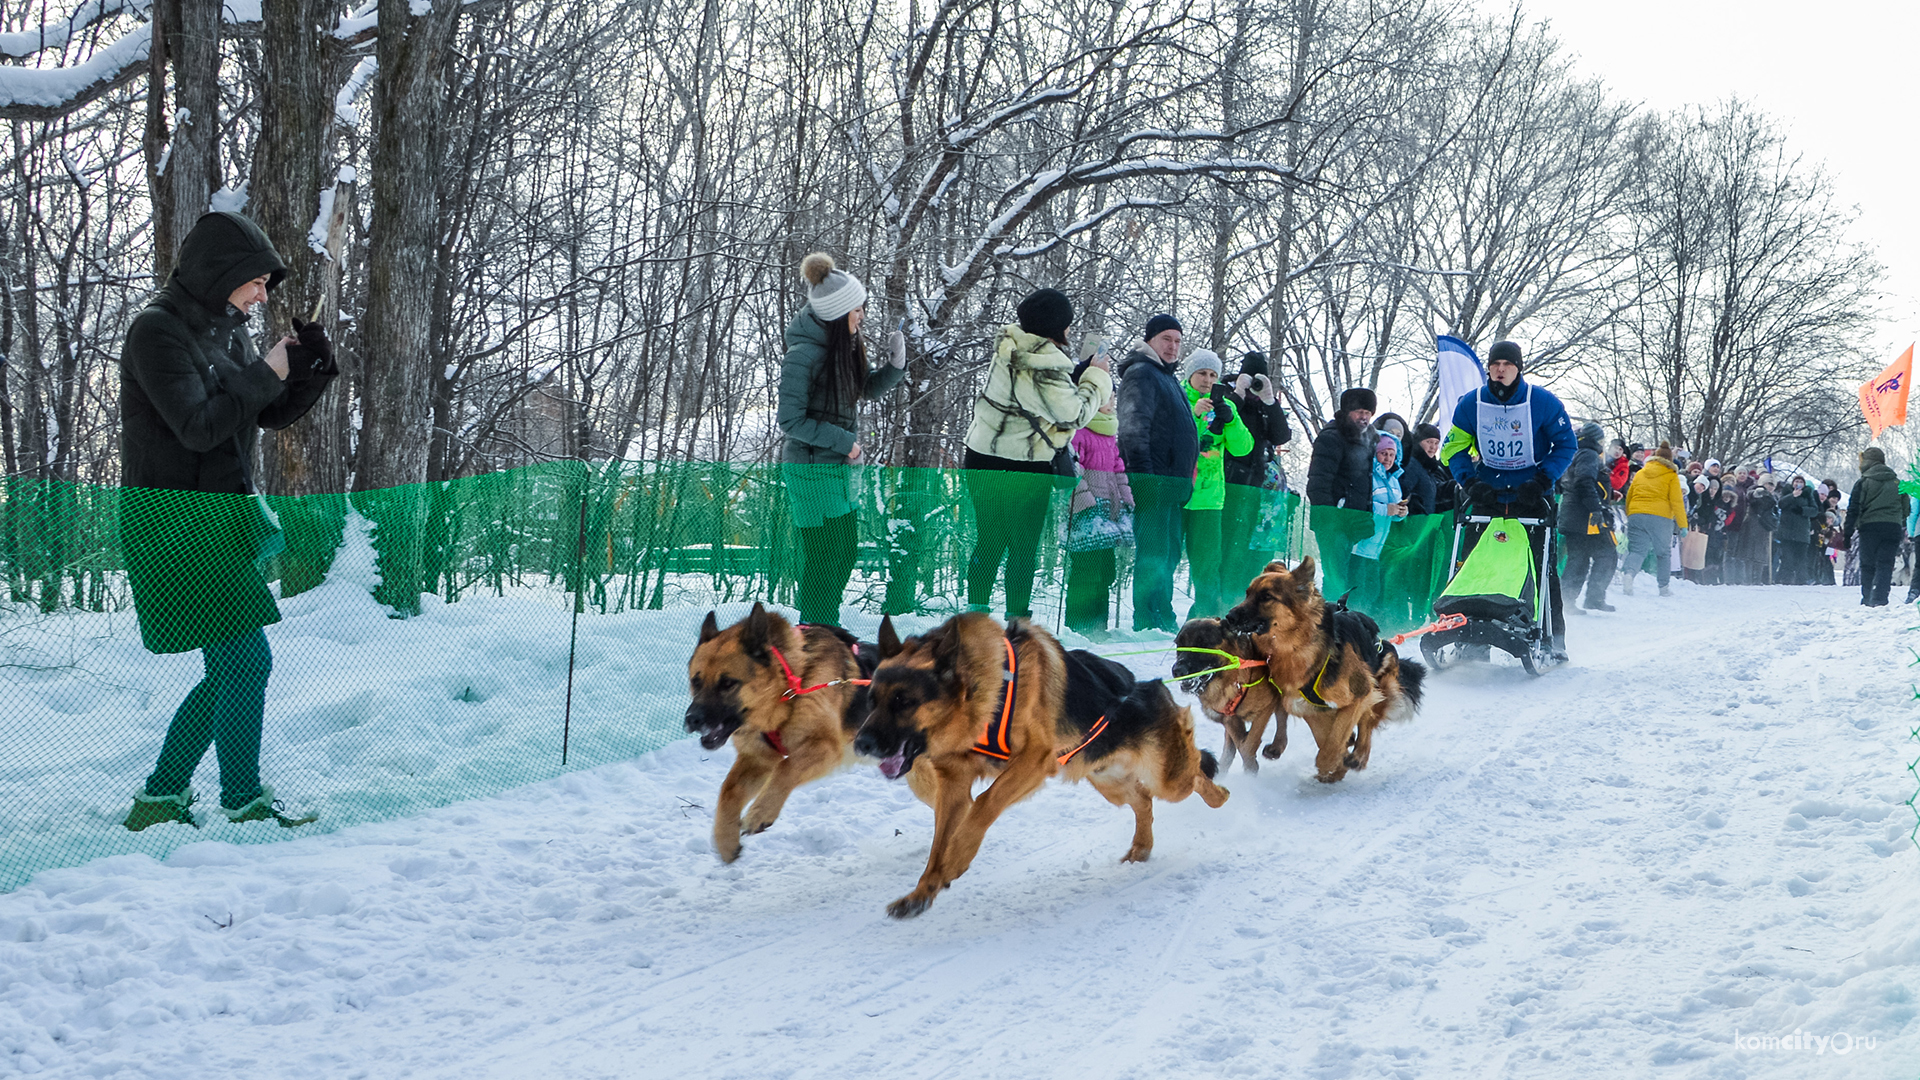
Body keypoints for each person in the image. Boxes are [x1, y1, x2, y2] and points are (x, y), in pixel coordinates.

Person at [119, 211, 339, 831]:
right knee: (245, 662)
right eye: (256, 282)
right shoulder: (156, 334)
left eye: (267, 284)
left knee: (233, 664)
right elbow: (197, 427)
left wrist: (307, 369)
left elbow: (260, 417)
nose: (262, 295)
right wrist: (266, 371)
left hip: (219, 518)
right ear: (222, 272)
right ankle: (238, 800)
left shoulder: (228, 331)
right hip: (171, 522)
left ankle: (162, 798)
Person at [963, 287, 1111, 621]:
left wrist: (1071, 372)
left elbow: (1032, 392)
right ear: (1058, 327)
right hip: (1026, 465)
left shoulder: (1010, 347)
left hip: (982, 458)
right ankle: (1017, 623)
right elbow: (1073, 413)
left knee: (988, 539)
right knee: (1023, 546)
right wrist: (1096, 377)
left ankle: (975, 617)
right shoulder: (1046, 368)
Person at [779, 253, 906, 626]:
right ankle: (817, 629)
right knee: (823, 555)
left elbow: (866, 388)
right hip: (810, 469)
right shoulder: (803, 355)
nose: (862, 314)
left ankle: (823, 626)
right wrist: (845, 442)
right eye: (857, 308)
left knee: (845, 551)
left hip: (836, 468)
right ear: (837, 313)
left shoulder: (844, 349)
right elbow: (790, 419)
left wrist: (895, 367)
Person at [1440, 339, 1575, 656]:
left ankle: (1554, 638)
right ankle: (1470, 638)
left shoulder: (1541, 401)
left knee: (1542, 567)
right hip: (1487, 492)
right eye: (1495, 365)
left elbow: (1566, 445)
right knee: (1476, 566)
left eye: (1507, 365)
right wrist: (1469, 481)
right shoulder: (1470, 403)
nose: (1500, 370)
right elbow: (1453, 448)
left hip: (1532, 494)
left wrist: (1543, 478)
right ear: (1488, 368)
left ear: (1518, 369)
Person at [1117, 314, 1197, 632]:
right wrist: (1144, 478)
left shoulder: (1168, 377)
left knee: (1169, 553)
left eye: (1178, 341)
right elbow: (1133, 427)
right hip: (1153, 482)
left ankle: (1163, 613)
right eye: (1167, 339)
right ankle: (1147, 617)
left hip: (1172, 485)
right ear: (1150, 339)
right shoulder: (1142, 373)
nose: (1173, 346)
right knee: (1153, 553)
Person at [1179, 350, 1254, 620]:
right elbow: (1173, 441)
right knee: (1166, 559)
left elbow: (1243, 448)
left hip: (1209, 498)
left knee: (1207, 565)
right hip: (1176, 494)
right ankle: (1155, 621)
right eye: (1202, 373)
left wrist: (1231, 420)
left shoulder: (1227, 406)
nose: (1207, 380)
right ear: (1190, 375)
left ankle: (1206, 618)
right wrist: (1195, 417)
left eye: (1213, 374)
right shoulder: (1179, 398)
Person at [1063, 353, 1132, 636]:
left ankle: (1097, 625)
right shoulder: (1078, 431)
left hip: (1109, 515)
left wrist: (1127, 501)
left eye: (1113, 398)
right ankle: (1078, 626)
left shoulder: (1109, 434)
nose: (1111, 403)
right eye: (1107, 397)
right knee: (1086, 573)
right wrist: (1086, 503)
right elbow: (1072, 469)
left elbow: (1119, 469)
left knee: (1105, 572)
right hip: (1086, 516)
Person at [1220, 352, 1292, 591]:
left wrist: (1270, 401)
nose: (1253, 384)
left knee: (1249, 552)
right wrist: (1238, 395)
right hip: (1228, 483)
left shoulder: (1264, 405)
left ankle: (1241, 598)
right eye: (1249, 377)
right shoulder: (1227, 395)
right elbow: (1219, 421)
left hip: (1255, 486)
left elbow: (1282, 436)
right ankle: (1221, 601)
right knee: (1229, 549)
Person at [1306, 387, 1380, 602]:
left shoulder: (1369, 440)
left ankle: (1347, 618)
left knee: (1353, 575)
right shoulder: (1332, 437)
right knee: (1336, 574)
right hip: (1334, 520)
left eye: (1368, 412)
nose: (1364, 417)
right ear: (1347, 411)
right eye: (1359, 412)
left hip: (1357, 520)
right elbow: (1319, 481)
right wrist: (1331, 515)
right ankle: (1329, 618)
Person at [1556, 422, 1616, 611]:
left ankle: (1570, 599)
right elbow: (1583, 481)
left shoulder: (1575, 453)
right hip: (1585, 516)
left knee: (1580, 557)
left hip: (1575, 513)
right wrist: (1596, 508)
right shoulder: (1589, 454)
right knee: (1605, 554)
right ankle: (1583, 598)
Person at [1842, 446, 1910, 607]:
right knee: (1886, 564)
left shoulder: (1863, 482)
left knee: (1868, 564)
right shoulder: (1897, 482)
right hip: (1892, 527)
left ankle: (1867, 598)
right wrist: (1899, 521)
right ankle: (1880, 598)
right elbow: (1906, 508)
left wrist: (1847, 534)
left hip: (1870, 527)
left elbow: (1854, 509)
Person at [1621, 443, 1688, 596]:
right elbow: (1676, 501)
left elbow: (1630, 495)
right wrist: (1683, 525)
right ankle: (1663, 588)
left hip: (1636, 514)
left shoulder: (1641, 473)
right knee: (1663, 553)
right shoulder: (1671, 476)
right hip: (1661, 517)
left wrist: (1630, 514)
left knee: (1637, 551)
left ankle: (1629, 575)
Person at [1776, 475, 1819, 585]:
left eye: (1800, 482)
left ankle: (1801, 580)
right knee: (1787, 558)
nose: (1798, 483)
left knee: (1801, 559)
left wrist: (1802, 510)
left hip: (1802, 533)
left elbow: (1814, 510)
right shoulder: (1787, 492)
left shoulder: (1808, 494)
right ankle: (1785, 580)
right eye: (1796, 481)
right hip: (1787, 531)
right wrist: (1792, 496)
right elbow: (1781, 504)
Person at [1407, 422, 1452, 515]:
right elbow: (1404, 491)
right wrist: (1412, 503)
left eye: (1436, 443)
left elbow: (1433, 494)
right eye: (1429, 442)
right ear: (1418, 442)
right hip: (1411, 523)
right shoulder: (1412, 464)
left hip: (1424, 524)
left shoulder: (1429, 467)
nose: (1433, 447)